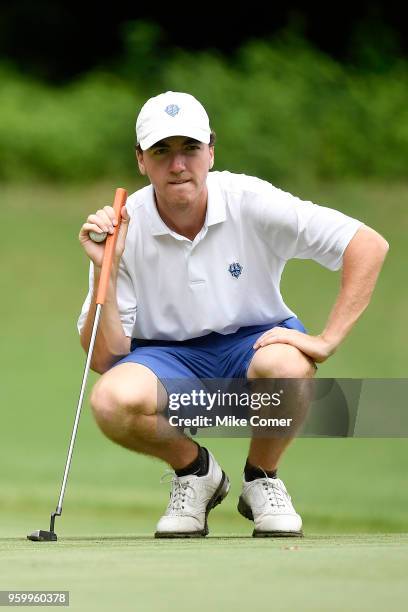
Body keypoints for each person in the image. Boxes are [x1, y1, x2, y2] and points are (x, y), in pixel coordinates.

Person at [77, 91, 389, 538]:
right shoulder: (125, 224)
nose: (178, 165)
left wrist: (327, 340)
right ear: (141, 160)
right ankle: (196, 473)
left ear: (211, 151)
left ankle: (261, 478)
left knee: (285, 365)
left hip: (253, 344)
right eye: (162, 151)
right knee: (110, 399)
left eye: (190, 149)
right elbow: (104, 360)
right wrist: (102, 266)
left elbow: (367, 244)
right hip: (165, 358)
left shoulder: (249, 200)